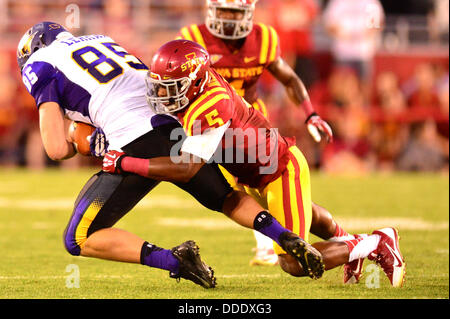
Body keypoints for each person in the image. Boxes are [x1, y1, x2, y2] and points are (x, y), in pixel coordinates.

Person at [17, 22, 324, 289]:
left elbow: (56, 150)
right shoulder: (100, 39)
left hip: (133, 141)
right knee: (226, 197)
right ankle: (283, 235)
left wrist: (78, 139)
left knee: (78, 238)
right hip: (174, 123)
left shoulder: (39, 64)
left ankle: (175, 261)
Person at [102, 40, 406, 287]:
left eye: (172, 86)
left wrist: (127, 162)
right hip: (253, 172)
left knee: (292, 262)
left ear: (194, 82)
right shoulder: (198, 88)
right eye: (161, 85)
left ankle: (374, 242)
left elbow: (187, 168)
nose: (164, 94)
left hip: (277, 170)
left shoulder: (209, 105)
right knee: (309, 216)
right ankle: (350, 244)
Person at [176, 0, 334, 266]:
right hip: (209, 123)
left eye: (235, 13)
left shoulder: (264, 38)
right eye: (224, 11)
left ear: (249, 14)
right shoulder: (193, 38)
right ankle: (278, 242)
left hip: (248, 123)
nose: (229, 19)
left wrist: (311, 113)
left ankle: (276, 244)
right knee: (240, 187)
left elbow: (290, 79)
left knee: (256, 184)